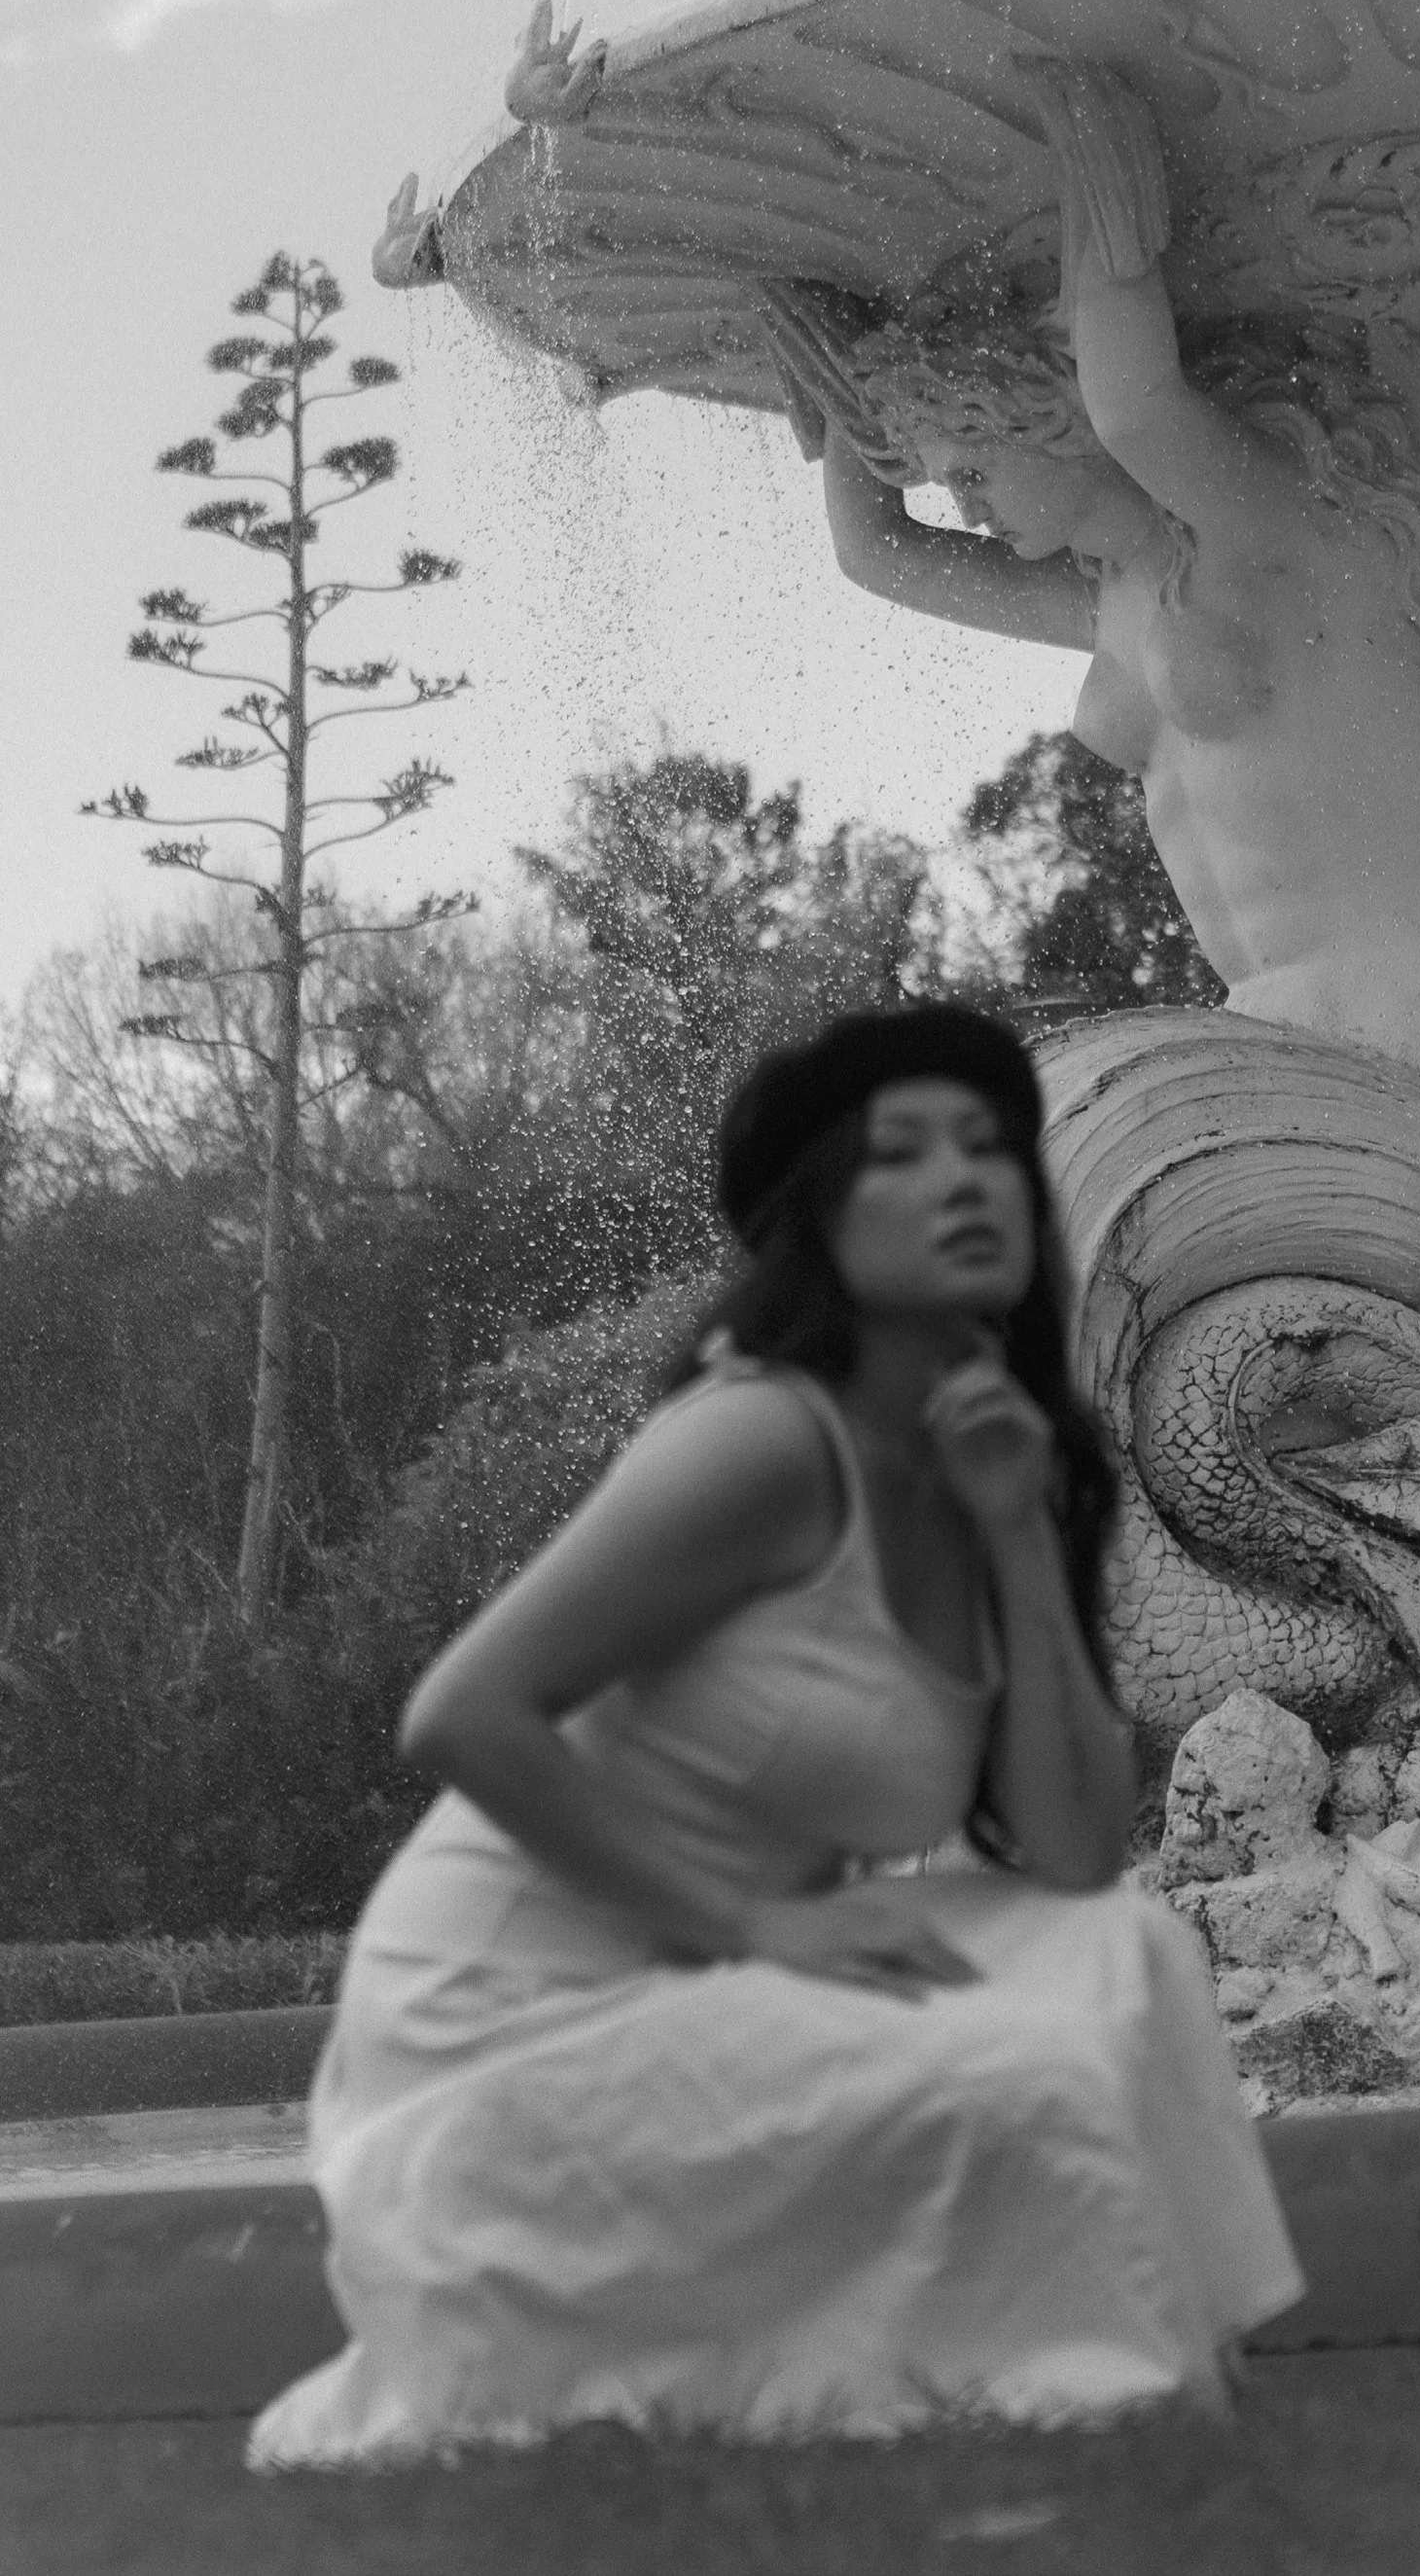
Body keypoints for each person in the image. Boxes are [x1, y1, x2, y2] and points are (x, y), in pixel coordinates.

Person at [248, 1004, 1301, 2466]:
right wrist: (754, 1923)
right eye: (904, 1156)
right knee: (1023, 2075)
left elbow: (1070, 1855)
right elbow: (463, 1712)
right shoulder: (757, 1440)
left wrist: (1011, 1530)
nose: (967, 1181)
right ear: (818, 1218)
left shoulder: (994, 1456)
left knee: (1129, 1954)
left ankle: (1149, 2383)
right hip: (505, 2031)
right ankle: (1070, 2421)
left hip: (720, 1986)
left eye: (992, 1149)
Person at [765, 64, 1420, 1118]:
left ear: (1053, 418)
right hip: (1273, 1027)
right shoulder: (1106, 600)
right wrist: (827, 362)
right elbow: (878, 558)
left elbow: (1136, 405)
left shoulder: (1259, 533)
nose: (966, 506)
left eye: (977, 471)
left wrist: (1093, 157)